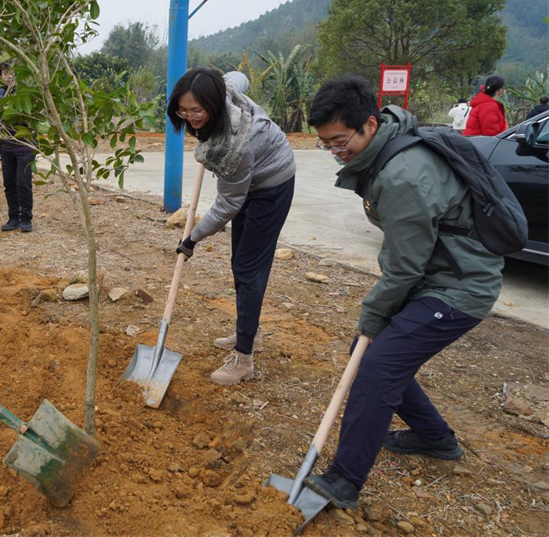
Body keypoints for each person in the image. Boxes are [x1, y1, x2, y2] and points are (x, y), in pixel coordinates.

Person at [302, 76, 503, 509]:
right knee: (371, 352)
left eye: (340, 141)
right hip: (434, 277)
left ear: (371, 124)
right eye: (326, 143)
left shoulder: (402, 175)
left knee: (377, 364)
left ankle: (345, 478)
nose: (335, 151)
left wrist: (373, 314)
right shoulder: (387, 151)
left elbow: (404, 266)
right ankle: (434, 437)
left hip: (459, 287)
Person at [168, 68, 296, 386]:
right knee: (240, 260)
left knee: (249, 268)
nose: (190, 117)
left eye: (197, 110)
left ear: (213, 104)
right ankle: (250, 332)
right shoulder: (224, 91)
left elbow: (227, 205)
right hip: (249, 181)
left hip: (272, 183)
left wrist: (192, 239)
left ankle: (244, 357)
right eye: (183, 110)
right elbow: (239, 76)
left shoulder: (235, 146)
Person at [0, 62, 35, 232]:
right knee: (9, 183)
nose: (8, 76)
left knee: (23, 182)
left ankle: (26, 218)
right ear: (0, 76)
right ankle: (13, 218)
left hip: (24, 144)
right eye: (5, 73)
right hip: (6, 145)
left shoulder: (25, 92)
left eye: (11, 73)